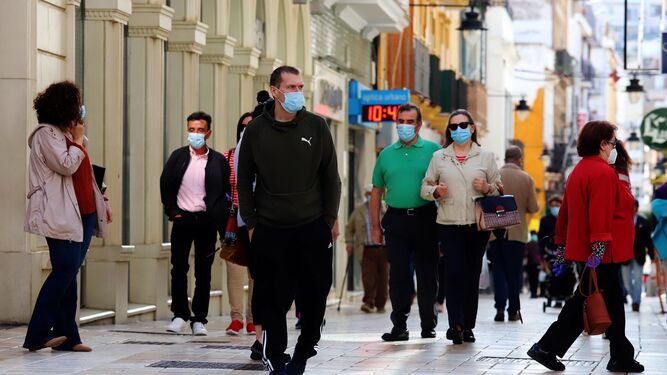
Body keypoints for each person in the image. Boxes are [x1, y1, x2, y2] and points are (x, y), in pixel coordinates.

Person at [237, 66, 341, 375]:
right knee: (271, 300)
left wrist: (328, 219)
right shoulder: (255, 130)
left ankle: (305, 350)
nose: (298, 92)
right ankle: (277, 358)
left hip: (312, 227)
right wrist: (252, 222)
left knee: (316, 295)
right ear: (275, 91)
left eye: (300, 86)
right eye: (291, 87)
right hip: (270, 229)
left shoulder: (317, 126)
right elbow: (243, 180)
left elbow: (331, 178)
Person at [527, 120, 644, 373]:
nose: (614, 147)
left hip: (596, 250)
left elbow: (566, 212)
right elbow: (600, 216)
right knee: (584, 299)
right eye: (612, 143)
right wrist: (597, 252)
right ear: (602, 144)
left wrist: (561, 244)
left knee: (611, 302)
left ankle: (621, 356)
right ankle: (546, 347)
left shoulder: (580, 170)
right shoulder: (602, 173)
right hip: (602, 251)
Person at [23, 81, 111, 352]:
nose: (81, 108)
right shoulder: (46, 134)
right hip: (60, 214)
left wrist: (101, 201)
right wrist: (77, 140)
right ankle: (37, 334)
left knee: (69, 272)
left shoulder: (65, 134)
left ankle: (68, 336)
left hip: (82, 213)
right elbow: (66, 165)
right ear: (65, 105)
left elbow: (85, 174)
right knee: (63, 271)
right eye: (77, 101)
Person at [421, 108, 502, 345]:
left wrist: (486, 187)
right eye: (453, 127)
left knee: (471, 274)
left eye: (463, 125)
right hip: (448, 223)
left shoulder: (485, 157)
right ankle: (455, 324)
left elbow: (499, 187)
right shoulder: (439, 157)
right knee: (454, 272)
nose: (458, 130)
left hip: (477, 226)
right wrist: (435, 191)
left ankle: (468, 325)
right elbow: (424, 188)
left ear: (472, 128)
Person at [370, 103, 441, 343]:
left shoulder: (434, 150)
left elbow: (443, 186)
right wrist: (374, 226)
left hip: (426, 219)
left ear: (419, 125)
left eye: (410, 122)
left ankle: (428, 324)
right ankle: (399, 325)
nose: (404, 126)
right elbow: (376, 192)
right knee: (398, 276)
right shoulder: (386, 154)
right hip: (396, 220)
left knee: (427, 274)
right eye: (401, 121)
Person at [160, 111, 231, 336]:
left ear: (208, 133)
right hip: (183, 219)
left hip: (207, 221)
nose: (195, 134)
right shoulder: (178, 157)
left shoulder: (218, 160)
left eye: (200, 130)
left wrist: (221, 222)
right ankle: (180, 315)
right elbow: (166, 185)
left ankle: (199, 319)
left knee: (204, 271)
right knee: (179, 268)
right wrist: (173, 211)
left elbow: (225, 193)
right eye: (192, 130)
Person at [489, 146, 539, 322]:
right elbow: (534, 207)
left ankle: (500, 308)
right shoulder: (527, 179)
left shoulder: (494, 175)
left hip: (495, 230)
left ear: (505, 158)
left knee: (499, 271)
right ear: (519, 159)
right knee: (515, 273)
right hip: (517, 232)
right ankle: (513, 310)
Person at [224, 112, 256, 336]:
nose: (247, 130)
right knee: (233, 268)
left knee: (256, 271)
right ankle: (236, 318)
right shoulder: (228, 157)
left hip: (257, 220)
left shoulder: (263, 157)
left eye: (251, 126)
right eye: (243, 126)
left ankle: (254, 318)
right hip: (234, 219)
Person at [346, 184, 388, 314]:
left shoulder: (385, 208)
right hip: (367, 249)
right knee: (368, 277)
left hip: (384, 249)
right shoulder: (359, 210)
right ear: (366, 195)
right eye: (370, 194)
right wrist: (349, 243)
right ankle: (369, 302)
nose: (373, 196)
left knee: (383, 278)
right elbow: (349, 228)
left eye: (375, 193)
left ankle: (380, 304)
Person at [524, 231, 542, 299]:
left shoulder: (528, 244)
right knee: (535, 279)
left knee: (531, 279)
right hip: (536, 264)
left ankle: (533, 293)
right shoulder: (538, 244)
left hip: (530, 264)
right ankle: (534, 292)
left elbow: (525, 253)